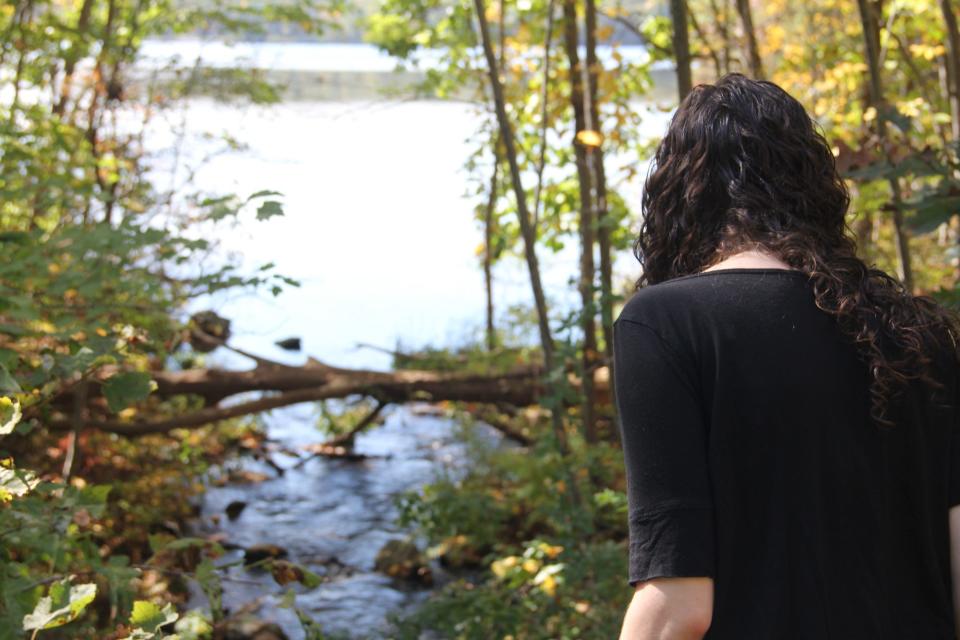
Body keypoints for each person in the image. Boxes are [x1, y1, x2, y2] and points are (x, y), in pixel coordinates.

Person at [613, 73, 960, 639]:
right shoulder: (917, 333)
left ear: (679, 197)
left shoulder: (665, 324)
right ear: (814, 188)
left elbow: (679, 608)